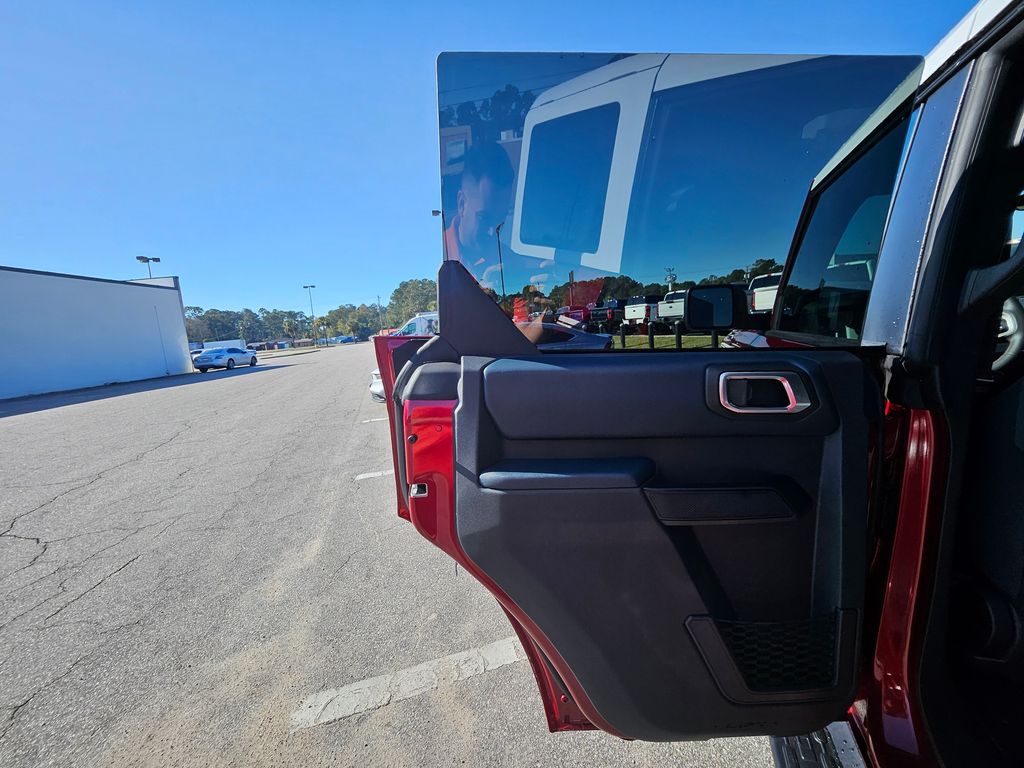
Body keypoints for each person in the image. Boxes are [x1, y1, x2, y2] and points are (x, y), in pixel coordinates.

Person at [444, 142, 515, 269]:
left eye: (501, 221)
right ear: (462, 204)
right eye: (484, 218)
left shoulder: (510, 262)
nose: (494, 232)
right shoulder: (438, 254)